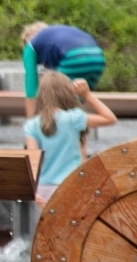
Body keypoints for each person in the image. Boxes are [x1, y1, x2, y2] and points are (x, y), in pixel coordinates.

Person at [24, 72, 117, 206]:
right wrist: (87, 95)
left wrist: (33, 190)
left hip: (43, 189)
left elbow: (32, 161)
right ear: (67, 93)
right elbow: (110, 118)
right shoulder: (74, 119)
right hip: (71, 185)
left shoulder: (32, 125)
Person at [20, 22, 107, 117]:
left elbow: (31, 90)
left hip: (74, 57)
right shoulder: (58, 35)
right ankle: (81, 129)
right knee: (77, 100)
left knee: (52, 98)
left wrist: (31, 123)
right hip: (98, 57)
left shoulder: (30, 46)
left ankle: (50, 129)